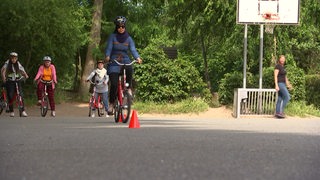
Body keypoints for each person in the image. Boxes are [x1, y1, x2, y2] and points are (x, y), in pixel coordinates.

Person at [104, 16, 142, 115]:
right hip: (114, 61)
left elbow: (133, 49)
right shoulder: (112, 37)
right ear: (116, 27)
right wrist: (107, 56)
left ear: (125, 27)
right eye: (119, 27)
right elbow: (109, 48)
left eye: (123, 27)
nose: (121, 28)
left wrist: (137, 57)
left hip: (125, 59)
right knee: (114, 84)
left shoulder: (129, 38)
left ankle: (128, 88)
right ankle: (111, 104)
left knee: (129, 68)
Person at [1, 52, 29, 117]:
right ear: (10, 58)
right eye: (12, 58)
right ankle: (11, 111)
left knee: (20, 95)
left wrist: (25, 75)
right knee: (10, 95)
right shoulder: (7, 63)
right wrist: (4, 78)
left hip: (17, 80)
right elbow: (3, 71)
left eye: (15, 58)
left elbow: (22, 70)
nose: (13, 59)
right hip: (10, 81)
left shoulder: (18, 63)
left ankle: (23, 111)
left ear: (17, 58)